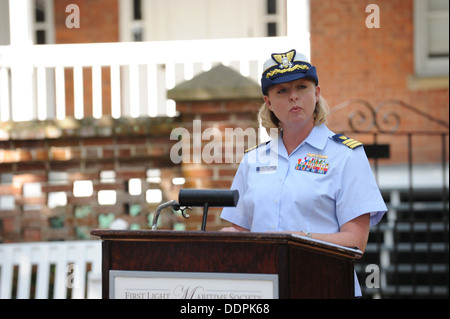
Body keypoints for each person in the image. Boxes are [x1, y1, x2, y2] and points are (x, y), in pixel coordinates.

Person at [220, 49, 387, 297]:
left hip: (325, 287)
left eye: (302, 87)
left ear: (317, 93)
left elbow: (355, 243)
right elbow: (241, 232)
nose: (293, 97)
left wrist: (296, 239)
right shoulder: (252, 160)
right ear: (268, 102)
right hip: (263, 291)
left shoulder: (346, 156)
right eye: (282, 91)